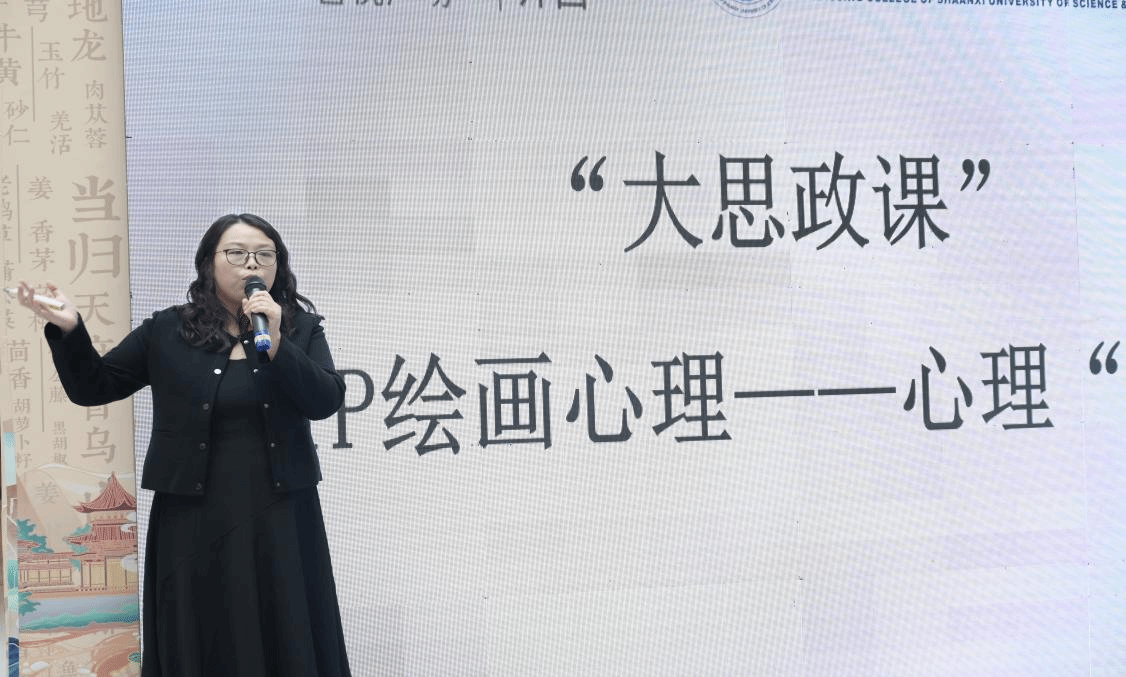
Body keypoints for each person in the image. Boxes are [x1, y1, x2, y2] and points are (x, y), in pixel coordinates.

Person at [16, 213, 351, 677]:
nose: (251, 263)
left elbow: (325, 400)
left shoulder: (299, 328)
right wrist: (70, 331)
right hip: (193, 520)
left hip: (281, 517)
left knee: (285, 630)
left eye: (264, 255)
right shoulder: (167, 331)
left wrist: (276, 344)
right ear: (209, 263)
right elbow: (94, 386)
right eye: (237, 253)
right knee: (200, 633)